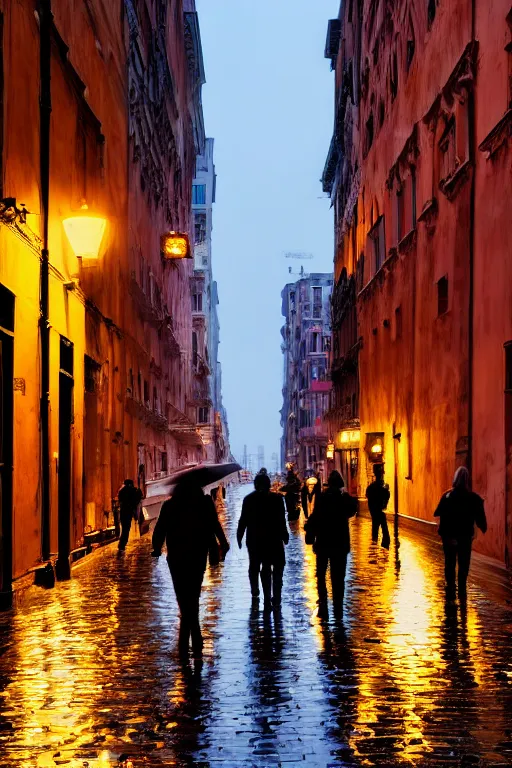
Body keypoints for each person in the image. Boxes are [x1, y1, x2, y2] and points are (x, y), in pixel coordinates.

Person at [151, 477, 230, 658]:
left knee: (183, 598)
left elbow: (160, 529)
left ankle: (185, 645)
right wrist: (223, 543)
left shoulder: (170, 505)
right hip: (198, 555)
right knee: (193, 596)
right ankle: (196, 638)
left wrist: (156, 548)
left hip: (177, 557)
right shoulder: (204, 503)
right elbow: (214, 524)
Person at [305, 470, 357, 618]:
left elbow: (315, 517)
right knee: (338, 577)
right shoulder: (344, 498)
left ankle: (323, 604)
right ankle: (338, 605)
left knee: (321, 575)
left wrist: (310, 531)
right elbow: (352, 510)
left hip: (323, 542)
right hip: (340, 544)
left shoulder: (322, 498)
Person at [237, 473, 289, 611]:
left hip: (255, 541)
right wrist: (285, 535)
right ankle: (275, 596)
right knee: (277, 567)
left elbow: (243, 521)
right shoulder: (277, 499)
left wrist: (239, 536)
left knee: (257, 566)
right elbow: (281, 520)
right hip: (274, 540)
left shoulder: (248, 500)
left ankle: (259, 593)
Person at [434, 466, 487, 601]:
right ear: (467, 480)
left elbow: (437, 512)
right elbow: (480, 518)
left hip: (449, 537)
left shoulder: (447, 496)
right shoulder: (473, 498)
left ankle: (451, 591)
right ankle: (462, 591)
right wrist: (482, 526)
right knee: (463, 564)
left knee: (449, 563)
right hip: (464, 537)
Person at [365, 464, 391, 548]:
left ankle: (375, 544)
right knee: (380, 527)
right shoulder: (378, 488)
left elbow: (369, 497)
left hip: (375, 511)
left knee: (376, 527)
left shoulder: (371, 487)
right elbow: (386, 497)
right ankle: (383, 543)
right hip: (377, 510)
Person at [117, 479, 143, 551]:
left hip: (123, 512)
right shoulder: (133, 490)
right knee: (126, 529)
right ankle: (122, 544)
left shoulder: (122, 491)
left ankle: (122, 544)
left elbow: (120, 500)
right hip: (128, 511)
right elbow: (137, 499)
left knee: (124, 528)